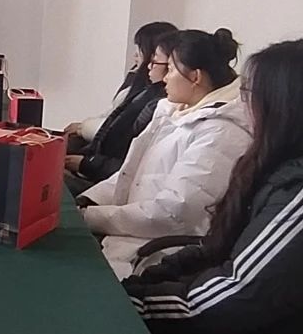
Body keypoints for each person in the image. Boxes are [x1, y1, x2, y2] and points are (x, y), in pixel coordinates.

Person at [125, 38, 303, 333]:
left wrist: (138, 302)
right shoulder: (272, 165)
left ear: (283, 107)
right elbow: (217, 245)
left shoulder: (295, 192)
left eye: (250, 95)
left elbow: (236, 294)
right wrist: (149, 282)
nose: (243, 105)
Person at [78, 28, 252, 279]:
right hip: (126, 230)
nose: (165, 78)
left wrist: (91, 217)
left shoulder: (222, 133)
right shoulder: (173, 111)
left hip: (153, 253)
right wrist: (89, 200)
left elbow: (173, 212)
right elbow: (130, 173)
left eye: (170, 69)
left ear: (195, 77)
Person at [64, 22, 178, 195]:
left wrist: (86, 163)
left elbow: (131, 166)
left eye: (154, 59)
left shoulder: (159, 105)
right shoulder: (145, 89)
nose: (147, 64)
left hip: (108, 182)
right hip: (103, 171)